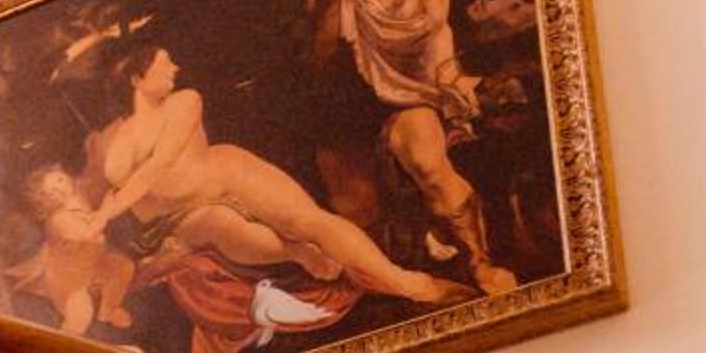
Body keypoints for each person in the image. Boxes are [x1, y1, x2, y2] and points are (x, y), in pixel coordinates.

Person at [201, 0, 520, 296]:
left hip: (405, 87)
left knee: (427, 162)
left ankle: (480, 263)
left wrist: (449, 76)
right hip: (341, 96)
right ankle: (403, 279)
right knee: (356, 209)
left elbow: (438, 30)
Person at [81, 40, 464, 309]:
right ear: (136, 79)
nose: (174, 68)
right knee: (225, 224)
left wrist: (105, 213)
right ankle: (297, 254)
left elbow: (159, 164)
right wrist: (98, 218)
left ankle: (406, 282)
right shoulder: (106, 141)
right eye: (164, 63)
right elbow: (107, 191)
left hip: (224, 170)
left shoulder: (184, 101)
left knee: (308, 221)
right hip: (180, 216)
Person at [3, 163, 137, 334]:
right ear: (44, 200)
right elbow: (88, 233)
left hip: (92, 263)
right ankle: (63, 341)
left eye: (59, 180)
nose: (59, 189)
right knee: (81, 317)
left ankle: (108, 310)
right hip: (68, 281)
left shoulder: (78, 199)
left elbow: (92, 209)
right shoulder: (58, 220)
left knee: (124, 267)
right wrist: (105, 209)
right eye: (51, 191)